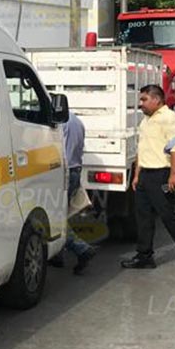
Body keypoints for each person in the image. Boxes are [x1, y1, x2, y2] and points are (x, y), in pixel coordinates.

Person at [121, 85, 175, 275]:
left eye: (144, 99)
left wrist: (174, 173)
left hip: (161, 173)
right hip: (144, 175)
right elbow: (141, 149)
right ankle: (144, 256)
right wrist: (136, 175)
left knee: (168, 216)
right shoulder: (146, 120)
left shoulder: (169, 118)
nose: (140, 103)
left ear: (156, 100)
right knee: (143, 217)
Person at [55, 111, 98, 274]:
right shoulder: (76, 121)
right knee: (62, 214)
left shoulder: (58, 123)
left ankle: (81, 249)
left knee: (55, 218)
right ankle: (57, 255)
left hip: (63, 172)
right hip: (74, 170)